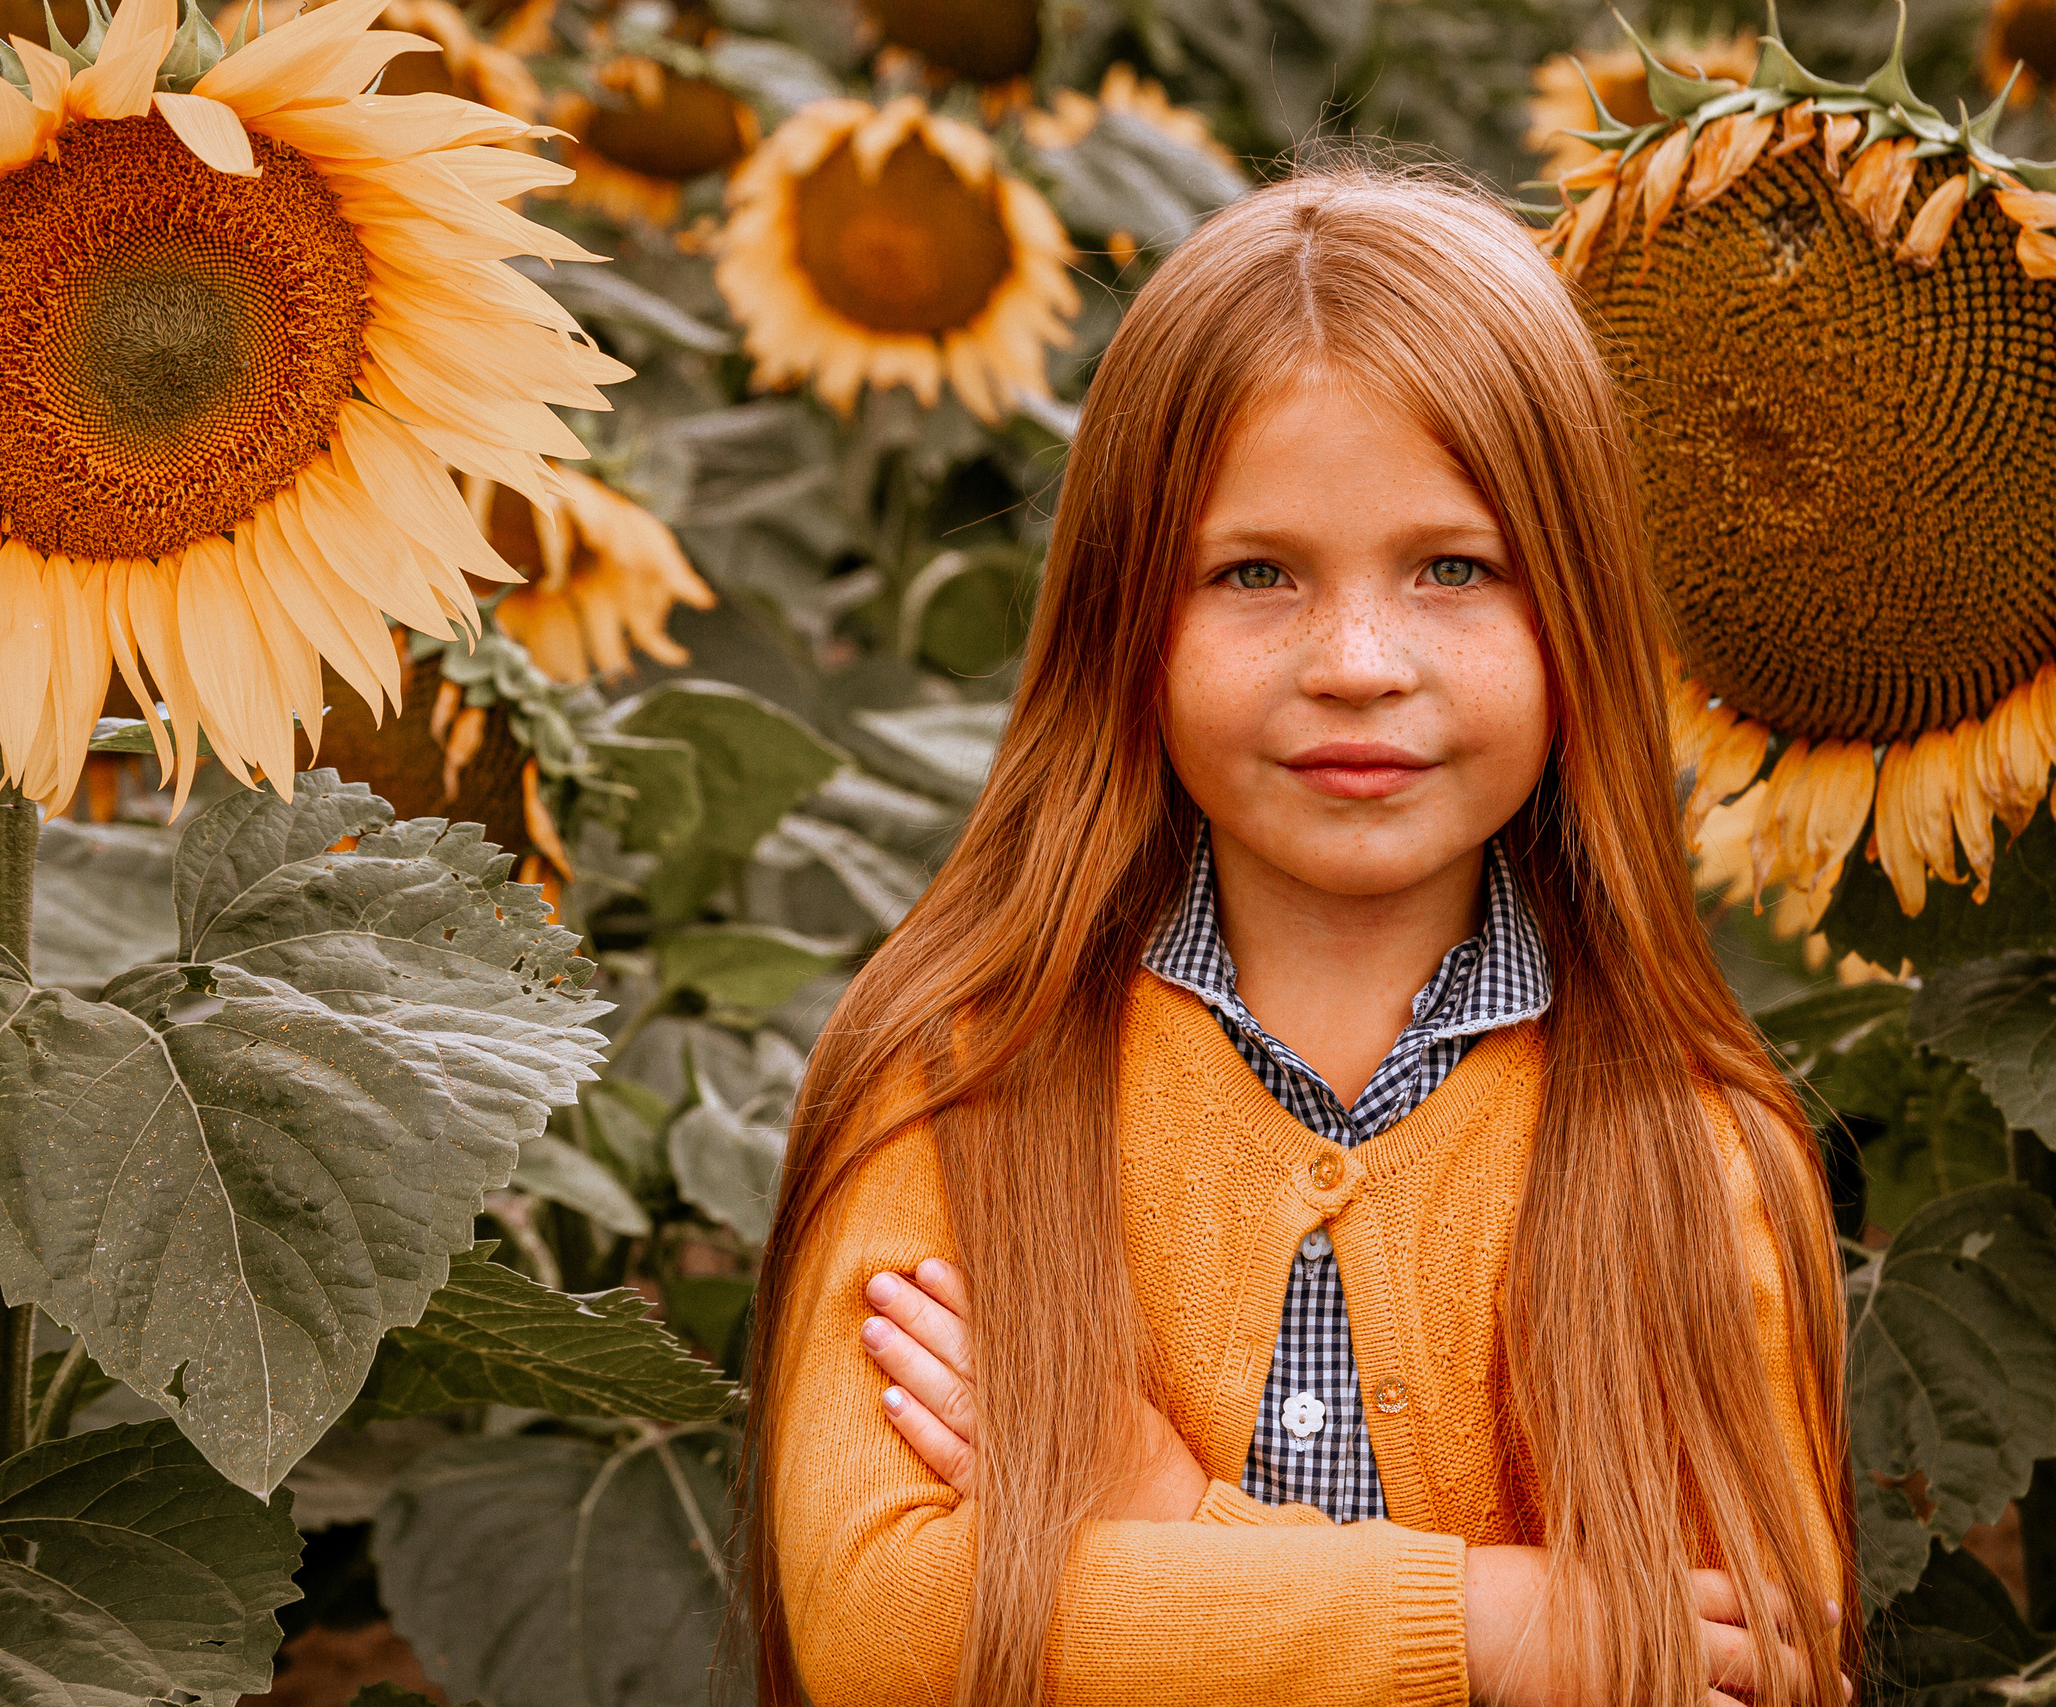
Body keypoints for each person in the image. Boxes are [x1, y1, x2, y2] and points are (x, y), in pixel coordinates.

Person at [739, 164, 1856, 1707]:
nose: (1357, 662)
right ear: (1126, 618)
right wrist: (1496, 1624)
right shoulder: (961, 1076)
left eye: (1455, 569)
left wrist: (1171, 1522)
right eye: (1255, 573)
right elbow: (889, 1634)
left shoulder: (1687, 1151)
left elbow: (1743, 1674)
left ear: (1581, 617)